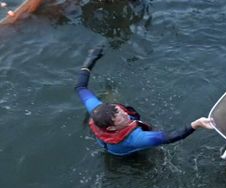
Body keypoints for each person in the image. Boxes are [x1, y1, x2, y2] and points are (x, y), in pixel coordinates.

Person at [75, 47, 213, 156]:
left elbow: (80, 87)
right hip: (127, 153)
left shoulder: (96, 110)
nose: (125, 114)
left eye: (120, 111)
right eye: (121, 118)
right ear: (111, 128)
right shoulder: (136, 139)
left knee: (112, 95)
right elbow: (170, 137)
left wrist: (90, 59)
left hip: (109, 141)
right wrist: (196, 124)